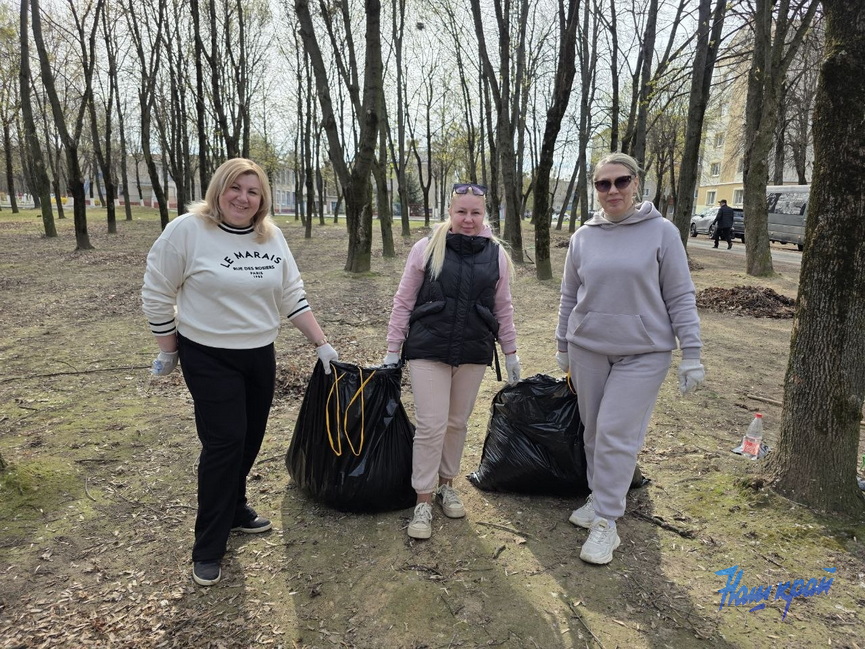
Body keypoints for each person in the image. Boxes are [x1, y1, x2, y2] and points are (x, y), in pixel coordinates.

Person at [142, 158, 339, 586]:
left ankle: (234, 509)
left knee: (250, 436)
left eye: (253, 191)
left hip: (258, 353)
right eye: (235, 188)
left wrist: (321, 343)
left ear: (262, 199)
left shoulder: (270, 236)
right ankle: (208, 546)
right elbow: (157, 291)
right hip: (208, 354)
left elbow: (291, 294)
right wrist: (168, 350)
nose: (243, 198)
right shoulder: (187, 231)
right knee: (225, 442)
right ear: (219, 190)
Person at [555, 152, 704, 565]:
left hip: (643, 352)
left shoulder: (662, 232)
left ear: (636, 183)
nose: (613, 190)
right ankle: (598, 495)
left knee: (616, 433)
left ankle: (607, 521)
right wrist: (563, 345)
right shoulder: (583, 237)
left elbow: (680, 295)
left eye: (621, 181)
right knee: (592, 432)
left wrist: (691, 353)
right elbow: (569, 295)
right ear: (595, 189)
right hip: (588, 348)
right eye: (603, 184)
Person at [384, 182, 521, 540]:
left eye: (476, 212)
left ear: (485, 214)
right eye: (461, 211)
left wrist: (511, 352)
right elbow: (404, 300)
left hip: (473, 351)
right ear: (450, 211)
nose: (468, 219)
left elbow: (503, 307)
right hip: (428, 349)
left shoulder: (496, 254)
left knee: (457, 423)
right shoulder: (427, 248)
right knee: (431, 425)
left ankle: (447, 485)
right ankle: (423, 499)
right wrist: (392, 349)